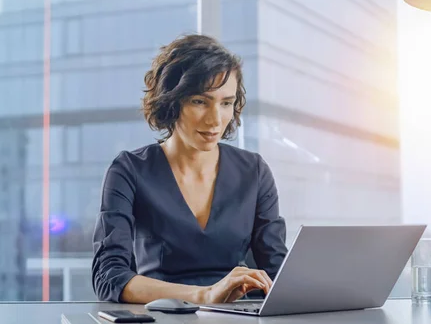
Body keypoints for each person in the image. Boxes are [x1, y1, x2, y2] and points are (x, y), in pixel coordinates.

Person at [91, 34, 288, 304]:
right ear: (172, 102)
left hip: (233, 318)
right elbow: (108, 277)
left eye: (226, 103)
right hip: (159, 316)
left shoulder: (254, 171)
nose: (215, 119)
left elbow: (276, 272)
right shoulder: (129, 170)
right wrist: (204, 295)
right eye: (199, 101)